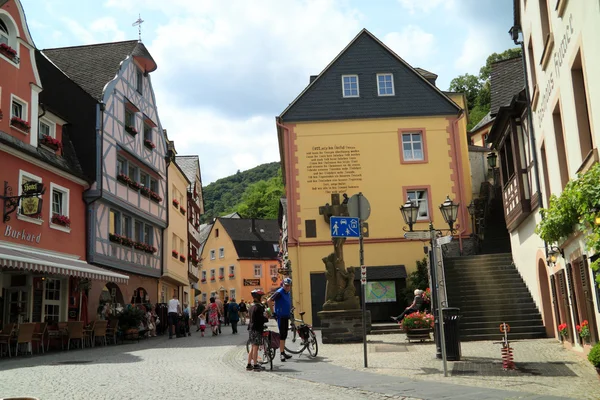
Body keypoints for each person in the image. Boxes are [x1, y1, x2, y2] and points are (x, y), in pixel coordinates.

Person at [268, 277, 293, 362]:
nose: (287, 287)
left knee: (284, 334)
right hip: (281, 316)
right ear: (283, 284)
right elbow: (269, 300)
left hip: (286, 316)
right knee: (282, 335)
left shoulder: (287, 293)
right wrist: (273, 312)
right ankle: (281, 354)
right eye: (286, 285)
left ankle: (283, 352)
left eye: (288, 286)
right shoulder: (279, 292)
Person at [247, 289, 267, 372]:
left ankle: (249, 364)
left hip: (251, 328)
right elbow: (259, 319)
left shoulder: (252, 306)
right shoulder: (258, 307)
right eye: (261, 297)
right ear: (258, 297)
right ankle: (255, 365)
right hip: (257, 329)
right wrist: (266, 318)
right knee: (256, 347)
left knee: (252, 346)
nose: (262, 298)